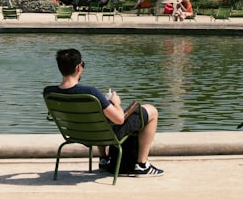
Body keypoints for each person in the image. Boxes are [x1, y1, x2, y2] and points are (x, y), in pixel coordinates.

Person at [44, 48, 163, 176]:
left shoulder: (49, 92)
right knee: (151, 111)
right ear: (78, 67)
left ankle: (104, 159)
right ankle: (142, 165)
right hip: (104, 135)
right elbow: (119, 119)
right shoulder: (90, 92)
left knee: (95, 116)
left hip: (76, 134)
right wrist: (116, 103)